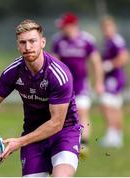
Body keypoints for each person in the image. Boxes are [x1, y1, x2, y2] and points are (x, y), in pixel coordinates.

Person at [0, 19, 81, 177]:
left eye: (32, 41)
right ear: (18, 45)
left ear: (42, 42)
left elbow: (56, 123)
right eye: (23, 42)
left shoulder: (59, 75)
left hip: (64, 132)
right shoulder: (13, 72)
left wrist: (19, 142)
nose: (28, 47)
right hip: (32, 136)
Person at [51, 12, 104, 158]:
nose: (62, 29)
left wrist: (99, 82)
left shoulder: (86, 40)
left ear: (72, 25)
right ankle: (63, 142)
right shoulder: (58, 41)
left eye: (64, 26)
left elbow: (96, 62)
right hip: (64, 85)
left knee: (82, 113)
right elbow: (53, 63)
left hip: (81, 85)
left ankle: (84, 144)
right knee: (61, 114)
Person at [99, 16, 129, 148]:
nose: (106, 30)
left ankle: (112, 134)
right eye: (104, 28)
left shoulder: (117, 40)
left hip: (115, 78)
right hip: (111, 78)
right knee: (115, 107)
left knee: (106, 104)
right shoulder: (108, 41)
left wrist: (110, 64)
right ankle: (116, 136)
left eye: (108, 27)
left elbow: (124, 57)